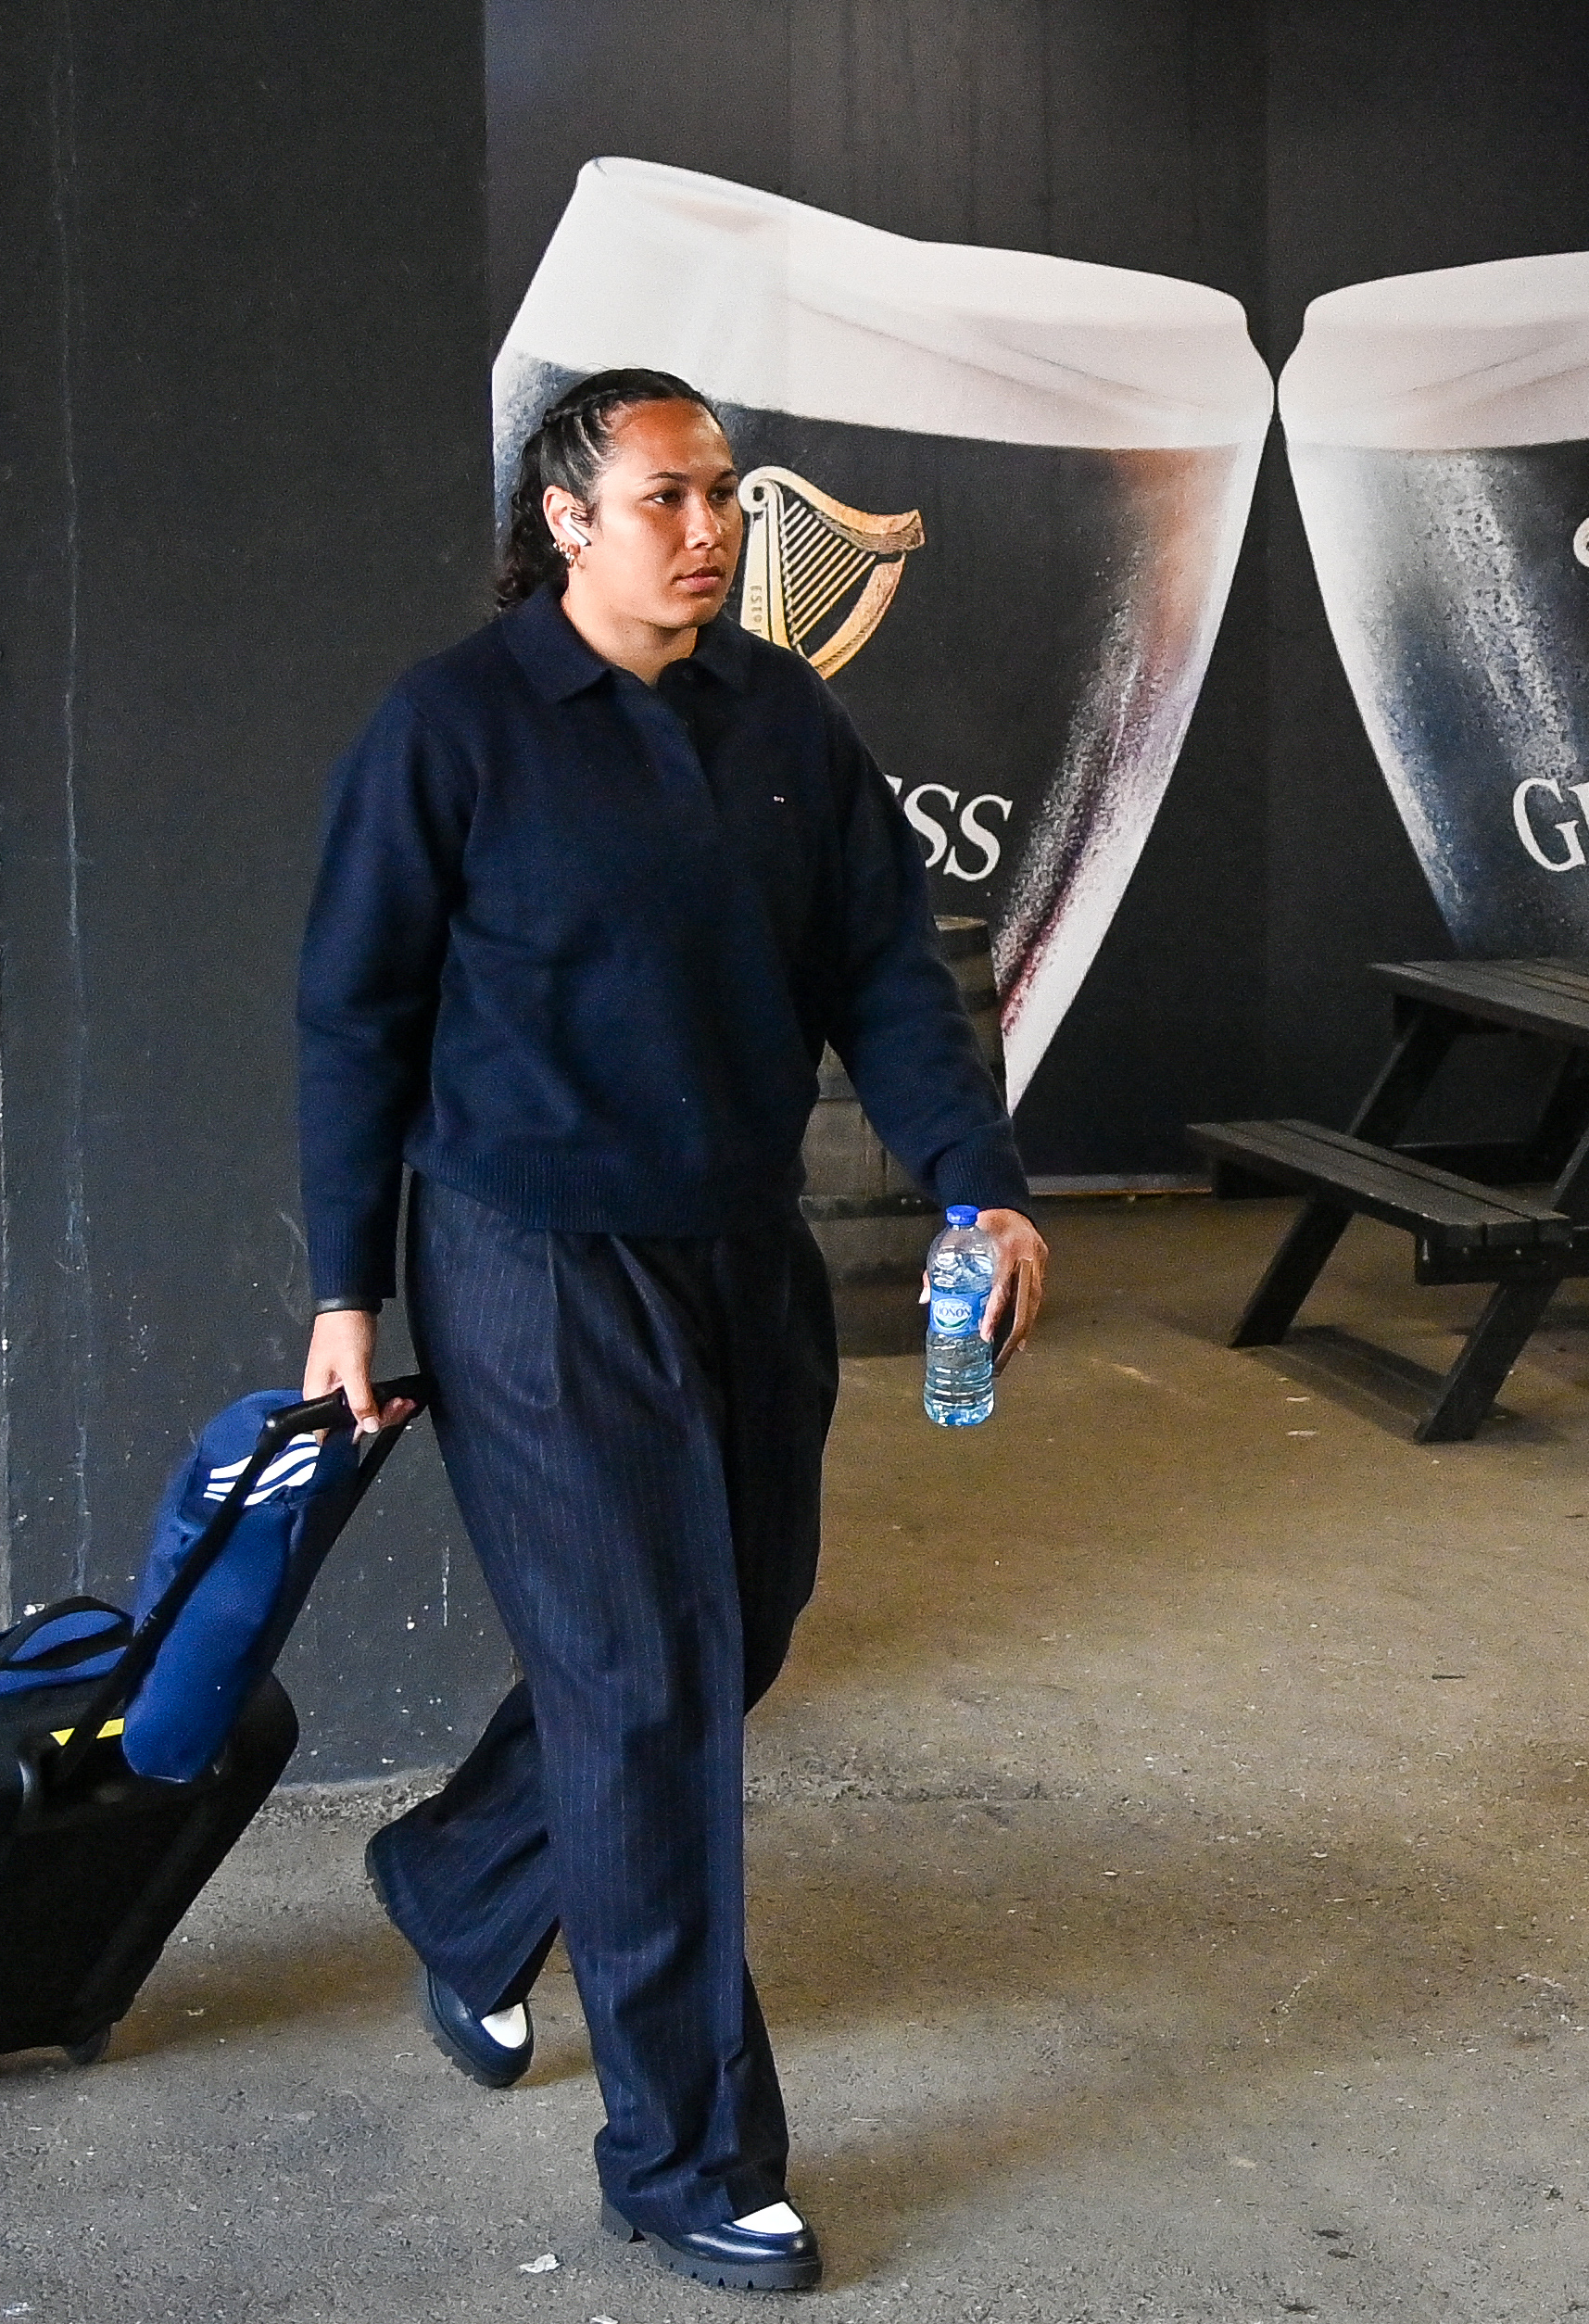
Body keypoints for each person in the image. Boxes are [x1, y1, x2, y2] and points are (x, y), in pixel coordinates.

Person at [296, 370, 1045, 2292]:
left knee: (736, 1635)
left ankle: (460, 1884)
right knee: (642, 1689)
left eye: (721, 496)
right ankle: (687, 2154)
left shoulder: (781, 717)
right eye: (664, 498)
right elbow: (353, 1017)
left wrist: (978, 1179)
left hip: (734, 1248)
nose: (709, 530)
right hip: (532, 1264)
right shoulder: (452, 728)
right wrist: (341, 1291)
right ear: (562, 518)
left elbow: (880, 966)